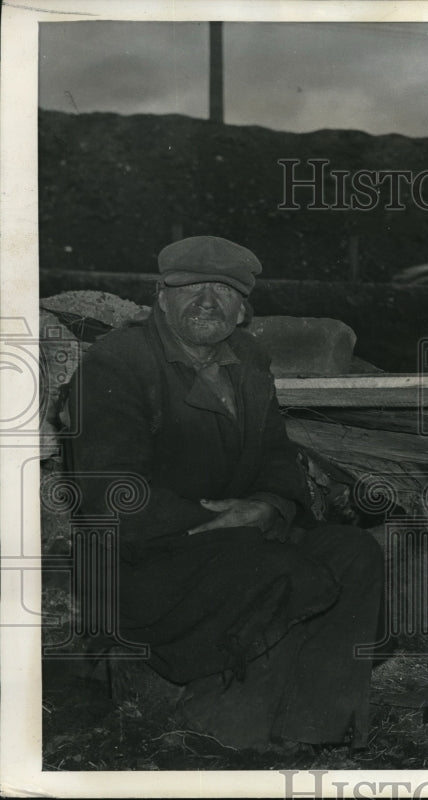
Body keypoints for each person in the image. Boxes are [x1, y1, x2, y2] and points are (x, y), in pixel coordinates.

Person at [67, 235, 384, 751]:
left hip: (239, 542)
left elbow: (277, 457)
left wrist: (269, 505)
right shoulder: (115, 364)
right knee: (279, 571)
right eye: (191, 287)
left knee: (354, 553)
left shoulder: (247, 360)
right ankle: (220, 731)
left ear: (242, 311)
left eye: (224, 290)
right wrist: (212, 517)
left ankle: (310, 728)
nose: (207, 300)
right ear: (161, 296)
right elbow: (111, 493)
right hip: (144, 560)